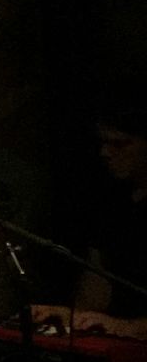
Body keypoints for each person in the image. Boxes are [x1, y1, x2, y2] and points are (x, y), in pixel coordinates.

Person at [31, 98, 147, 339]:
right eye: (103, 142)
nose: (105, 152)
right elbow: (97, 288)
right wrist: (70, 317)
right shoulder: (112, 203)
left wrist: (129, 327)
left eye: (119, 143)